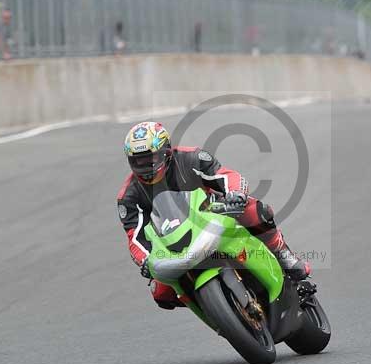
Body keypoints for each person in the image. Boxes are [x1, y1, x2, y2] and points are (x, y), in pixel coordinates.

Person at [117, 121, 311, 309]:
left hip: (212, 213)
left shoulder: (191, 157)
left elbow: (225, 175)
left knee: (254, 211)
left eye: (150, 158)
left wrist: (236, 194)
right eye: (138, 161)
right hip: (171, 240)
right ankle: (210, 306)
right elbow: (135, 236)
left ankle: (282, 253)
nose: (145, 166)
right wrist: (145, 259)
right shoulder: (128, 196)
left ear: (166, 151)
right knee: (161, 293)